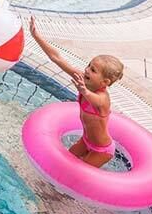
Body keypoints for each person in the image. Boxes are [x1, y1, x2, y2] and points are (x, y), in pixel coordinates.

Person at [30, 16, 125, 168]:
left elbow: (95, 100)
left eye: (93, 70)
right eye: (89, 65)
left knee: (77, 172)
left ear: (105, 82)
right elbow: (57, 58)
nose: (87, 69)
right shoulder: (82, 78)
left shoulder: (103, 98)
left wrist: (84, 91)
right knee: (63, 165)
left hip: (102, 150)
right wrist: (37, 36)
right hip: (85, 140)